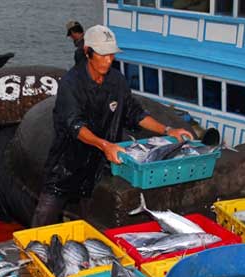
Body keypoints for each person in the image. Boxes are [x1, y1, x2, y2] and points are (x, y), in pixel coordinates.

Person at [32, 25, 194, 227]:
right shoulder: (71, 83)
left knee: (87, 220)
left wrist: (168, 130)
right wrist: (105, 145)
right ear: (87, 52)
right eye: (102, 54)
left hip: (96, 166)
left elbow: (134, 113)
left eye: (111, 55)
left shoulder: (117, 81)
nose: (108, 60)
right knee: (44, 214)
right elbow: (75, 125)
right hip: (65, 163)